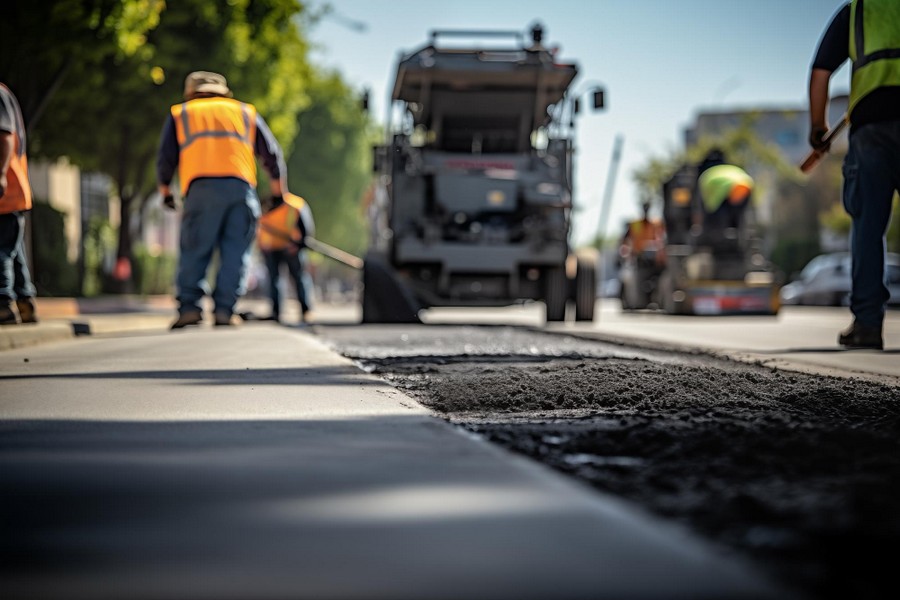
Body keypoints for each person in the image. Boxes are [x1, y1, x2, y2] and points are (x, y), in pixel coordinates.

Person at [157, 71, 286, 329]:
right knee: (236, 252)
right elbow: (272, 155)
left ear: (190, 92)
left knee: (195, 248)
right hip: (241, 190)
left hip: (200, 189)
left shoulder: (182, 113)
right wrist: (277, 194)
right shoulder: (245, 112)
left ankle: (190, 308)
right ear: (224, 93)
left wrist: (166, 192)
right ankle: (225, 310)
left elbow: (165, 159)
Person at [809, 1, 900, 349]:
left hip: (871, 124)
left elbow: (820, 72)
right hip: (871, 123)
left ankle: (866, 325)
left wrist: (818, 128)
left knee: (867, 227)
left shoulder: (858, 11)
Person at [0, 82, 38, 326]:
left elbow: (4, 136)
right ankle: (25, 302)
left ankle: (3, 302)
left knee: (2, 249)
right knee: (13, 249)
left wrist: (0, 174)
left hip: (6, 191)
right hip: (12, 191)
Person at [256, 192, 315, 323]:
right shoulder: (265, 205)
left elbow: (306, 228)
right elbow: (260, 226)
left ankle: (306, 310)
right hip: (271, 248)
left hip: (291, 248)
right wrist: (262, 245)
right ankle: (276, 312)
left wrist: (299, 245)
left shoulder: (295, 204)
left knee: (299, 278)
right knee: (274, 280)